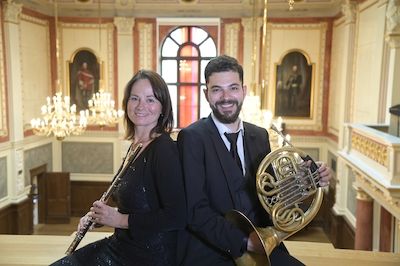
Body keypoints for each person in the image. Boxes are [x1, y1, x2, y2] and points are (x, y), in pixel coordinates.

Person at [176, 55, 332, 266]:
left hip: (261, 244)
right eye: (216, 90)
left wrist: (307, 181)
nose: (226, 97)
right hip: (212, 249)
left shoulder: (259, 135)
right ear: (206, 94)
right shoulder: (192, 137)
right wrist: (245, 242)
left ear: (244, 91)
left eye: (233, 88)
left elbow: (273, 198)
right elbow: (196, 211)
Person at [52, 70, 186, 266]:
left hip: (149, 256)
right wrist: (99, 217)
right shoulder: (136, 146)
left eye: (150, 100)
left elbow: (177, 216)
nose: (141, 106)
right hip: (124, 245)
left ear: (163, 107)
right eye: (135, 98)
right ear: (126, 103)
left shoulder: (164, 150)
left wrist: (119, 219)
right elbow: (137, 204)